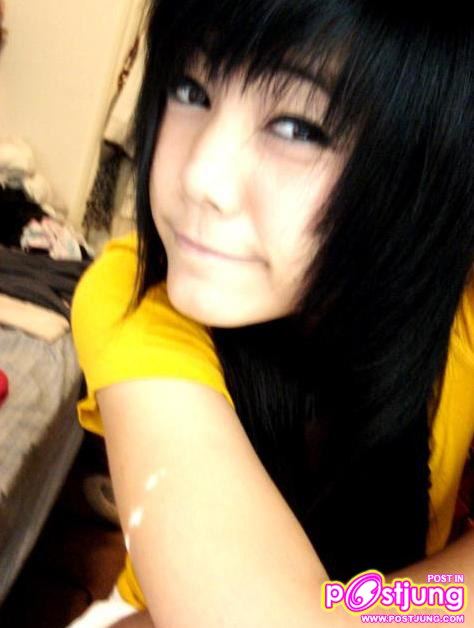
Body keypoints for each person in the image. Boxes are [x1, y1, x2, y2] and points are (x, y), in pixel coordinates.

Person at [69, 0, 474, 625]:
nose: (200, 177)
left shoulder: (456, 304)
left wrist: (344, 612)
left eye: (297, 127)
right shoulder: (129, 293)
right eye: (190, 89)